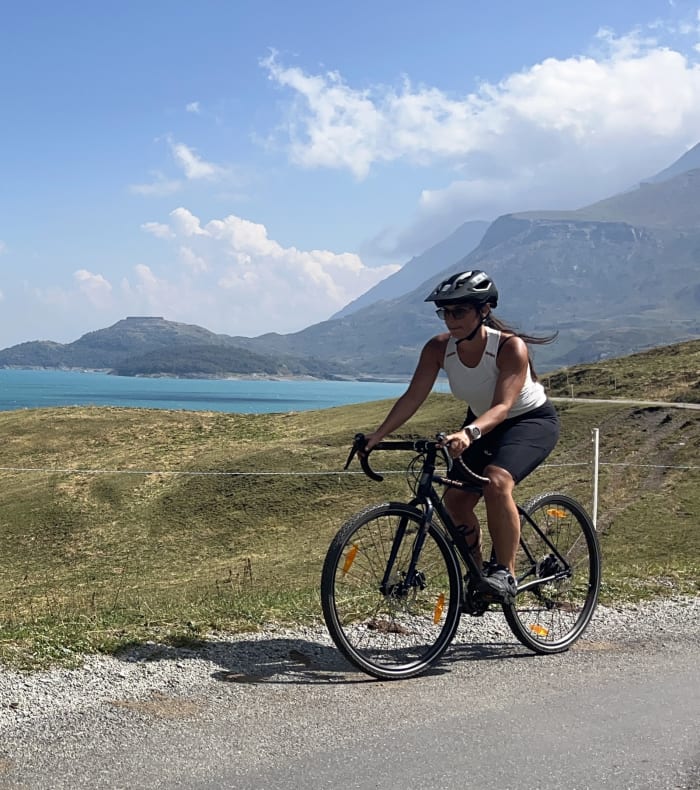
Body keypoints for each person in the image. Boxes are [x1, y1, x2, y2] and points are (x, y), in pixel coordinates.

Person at [362, 270, 560, 600]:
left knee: (497, 482)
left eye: (459, 312)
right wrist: (377, 435)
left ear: (483, 311)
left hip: (528, 421)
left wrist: (469, 433)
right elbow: (413, 397)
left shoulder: (511, 348)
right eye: (445, 312)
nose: (450, 320)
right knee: (455, 501)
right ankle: (479, 576)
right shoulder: (438, 348)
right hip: (481, 423)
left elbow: (502, 407)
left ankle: (505, 575)